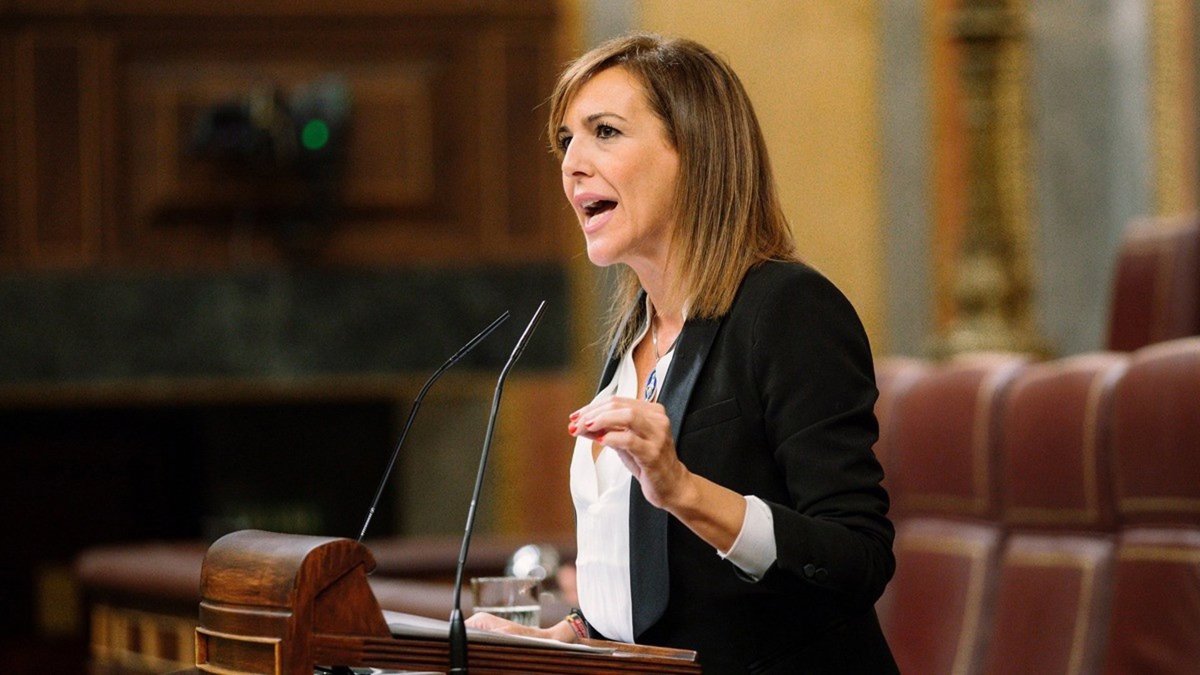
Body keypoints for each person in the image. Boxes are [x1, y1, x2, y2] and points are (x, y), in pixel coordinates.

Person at [467, 32, 897, 673]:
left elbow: (857, 559)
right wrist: (575, 634)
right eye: (565, 140)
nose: (572, 163)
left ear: (695, 152)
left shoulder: (788, 308)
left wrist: (683, 488)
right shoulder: (634, 336)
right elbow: (661, 578)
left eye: (605, 132)